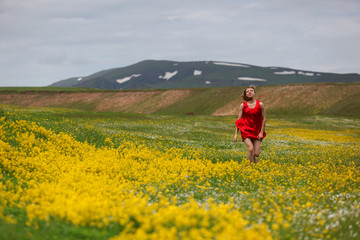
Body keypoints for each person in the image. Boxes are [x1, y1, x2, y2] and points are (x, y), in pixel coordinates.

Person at [233, 86, 266, 164]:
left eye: (251, 91)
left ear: (254, 93)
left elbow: (264, 118)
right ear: (245, 95)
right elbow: (238, 121)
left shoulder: (260, 104)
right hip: (246, 131)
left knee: (256, 153)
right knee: (250, 149)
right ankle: (250, 167)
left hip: (257, 131)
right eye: (247, 91)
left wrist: (261, 132)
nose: (249, 92)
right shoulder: (243, 106)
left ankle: (256, 166)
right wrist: (236, 134)